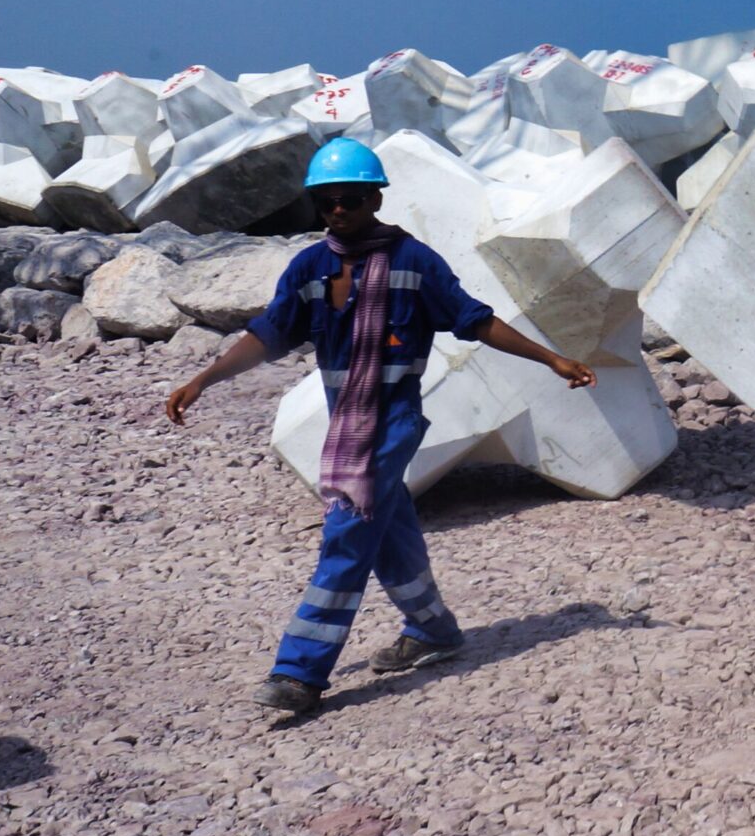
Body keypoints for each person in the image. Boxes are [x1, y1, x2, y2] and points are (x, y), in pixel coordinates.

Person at [164, 136, 596, 715]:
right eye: (326, 201)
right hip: (347, 424)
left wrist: (552, 359)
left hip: (392, 422)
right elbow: (269, 335)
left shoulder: (414, 263)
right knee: (386, 527)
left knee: (347, 532)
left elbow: (475, 320)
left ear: (375, 199)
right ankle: (433, 629)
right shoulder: (309, 268)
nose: (337, 210)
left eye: (349, 199)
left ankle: (299, 672)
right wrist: (205, 379)